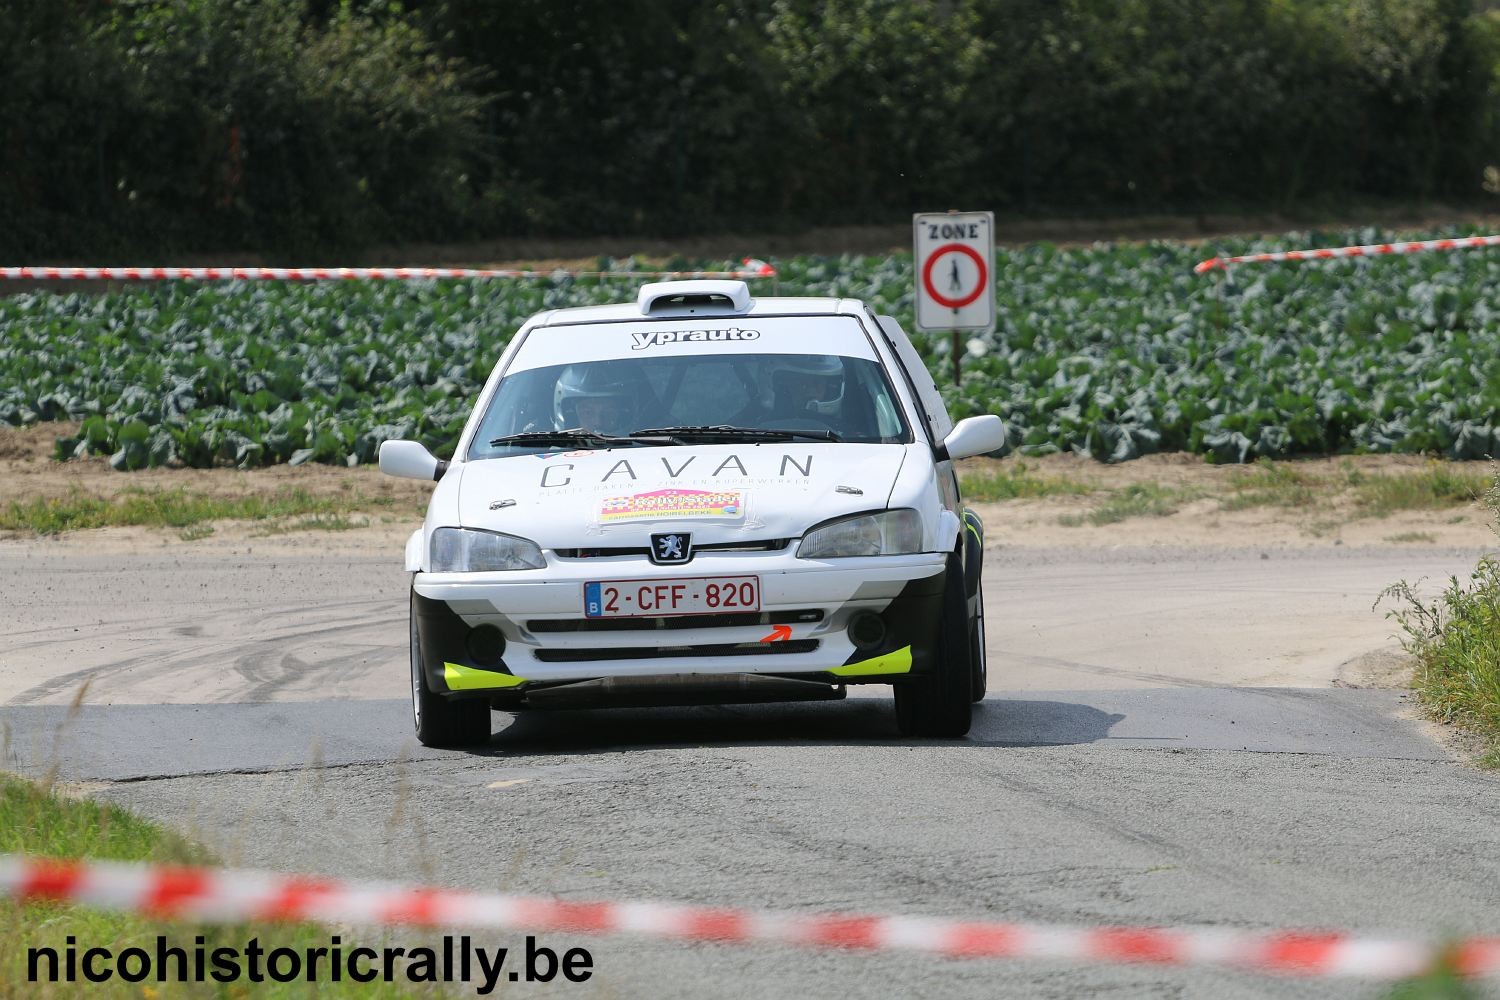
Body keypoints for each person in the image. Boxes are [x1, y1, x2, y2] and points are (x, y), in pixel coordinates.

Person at [552, 362, 651, 435]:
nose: (598, 422)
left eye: (609, 412)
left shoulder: (648, 453)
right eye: (587, 413)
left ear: (624, 414)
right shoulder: (552, 458)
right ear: (571, 415)